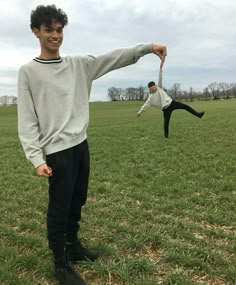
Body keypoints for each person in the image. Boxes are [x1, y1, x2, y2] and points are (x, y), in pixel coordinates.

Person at [17, 4, 167, 285]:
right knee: (59, 208)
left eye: (59, 30)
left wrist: (148, 47)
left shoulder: (78, 65)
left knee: (78, 200)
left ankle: (73, 247)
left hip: (80, 145)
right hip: (57, 153)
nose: (55, 35)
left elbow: (114, 57)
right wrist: (37, 159)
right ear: (36, 32)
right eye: (49, 30)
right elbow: (26, 120)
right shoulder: (28, 72)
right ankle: (60, 263)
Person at [137, 65, 205, 138]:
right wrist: (140, 112)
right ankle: (166, 137)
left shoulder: (159, 87)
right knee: (166, 122)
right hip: (166, 109)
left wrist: (160, 69)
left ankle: (198, 115)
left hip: (172, 103)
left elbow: (160, 78)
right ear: (150, 89)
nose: (153, 88)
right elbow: (145, 105)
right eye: (151, 88)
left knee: (186, 107)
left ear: (155, 86)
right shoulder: (151, 98)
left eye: (153, 86)